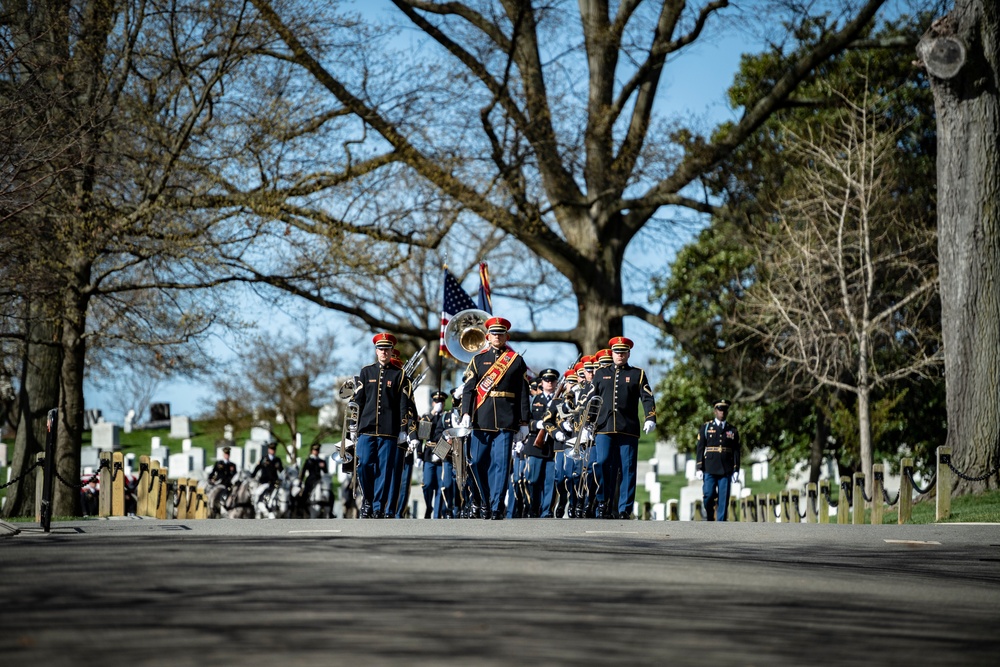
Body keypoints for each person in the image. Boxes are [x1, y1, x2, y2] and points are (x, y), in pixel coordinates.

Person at [460, 316, 531, 520]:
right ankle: (483, 500)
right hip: (481, 418)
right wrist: (466, 412)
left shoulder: (516, 360)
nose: (497, 336)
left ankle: (497, 505)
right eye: (494, 333)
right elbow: (469, 389)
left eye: (501, 333)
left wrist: (524, 421)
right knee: (477, 463)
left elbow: (523, 393)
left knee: (501, 464)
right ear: (487, 336)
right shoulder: (478, 360)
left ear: (506, 336)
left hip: (506, 419)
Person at [587, 336, 656, 520]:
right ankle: (603, 503)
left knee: (627, 468)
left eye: (623, 352)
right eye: (617, 352)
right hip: (604, 428)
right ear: (612, 353)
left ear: (628, 354)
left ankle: (625, 508)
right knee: (602, 464)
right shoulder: (601, 373)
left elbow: (647, 397)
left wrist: (650, 417)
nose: (620, 355)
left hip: (628, 428)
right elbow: (592, 400)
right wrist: (587, 422)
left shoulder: (637, 374)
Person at [353, 332, 417, 518]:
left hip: (389, 431)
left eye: (387, 349)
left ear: (391, 351)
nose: (384, 352)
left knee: (384, 470)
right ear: (376, 351)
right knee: (363, 464)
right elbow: (358, 401)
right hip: (366, 428)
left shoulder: (399, 374)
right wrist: (352, 427)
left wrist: (404, 430)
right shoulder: (366, 372)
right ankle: (369, 499)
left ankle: (378, 506)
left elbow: (403, 404)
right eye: (381, 349)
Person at [696, 399, 741, 521]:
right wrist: (699, 467)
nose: (722, 413)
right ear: (715, 411)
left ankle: (720, 523)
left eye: (724, 410)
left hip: (726, 468)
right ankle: (710, 515)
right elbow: (700, 448)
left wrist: (736, 469)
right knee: (708, 495)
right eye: (720, 410)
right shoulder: (706, 427)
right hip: (709, 467)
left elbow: (736, 450)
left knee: (723, 498)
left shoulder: (732, 430)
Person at [523, 368, 560, 517]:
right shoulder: (534, 400)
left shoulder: (561, 400)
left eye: (552, 380)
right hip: (535, 444)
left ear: (557, 382)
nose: (549, 383)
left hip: (553, 444)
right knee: (533, 479)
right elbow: (526, 420)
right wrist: (536, 425)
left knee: (550, 481)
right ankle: (532, 508)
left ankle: (546, 511)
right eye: (546, 380)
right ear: (542, 382)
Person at [251, 442, 285, 509]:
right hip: (264, 482)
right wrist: (252, 475)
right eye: (271, 449)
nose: (272, 451)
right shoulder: (264, 459)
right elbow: (258, 468)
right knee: (257, 493)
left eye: (274, 449)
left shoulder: (277, 460)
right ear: (268, 450)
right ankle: (256, 508)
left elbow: (281, 471)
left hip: (274, 483)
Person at [300, 443, 328, 513]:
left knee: (328, 493)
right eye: (315, 450)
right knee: (305, 493)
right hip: (311, 480)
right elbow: (303, 471)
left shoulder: (321, 461)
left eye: (317, 450)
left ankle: (329, 510)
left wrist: (323, 466)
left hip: (319, 480)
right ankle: (301, 508)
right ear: (312, 451)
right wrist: (300, 480)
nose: (316, 452)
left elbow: (326, 472)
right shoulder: (309, 460)